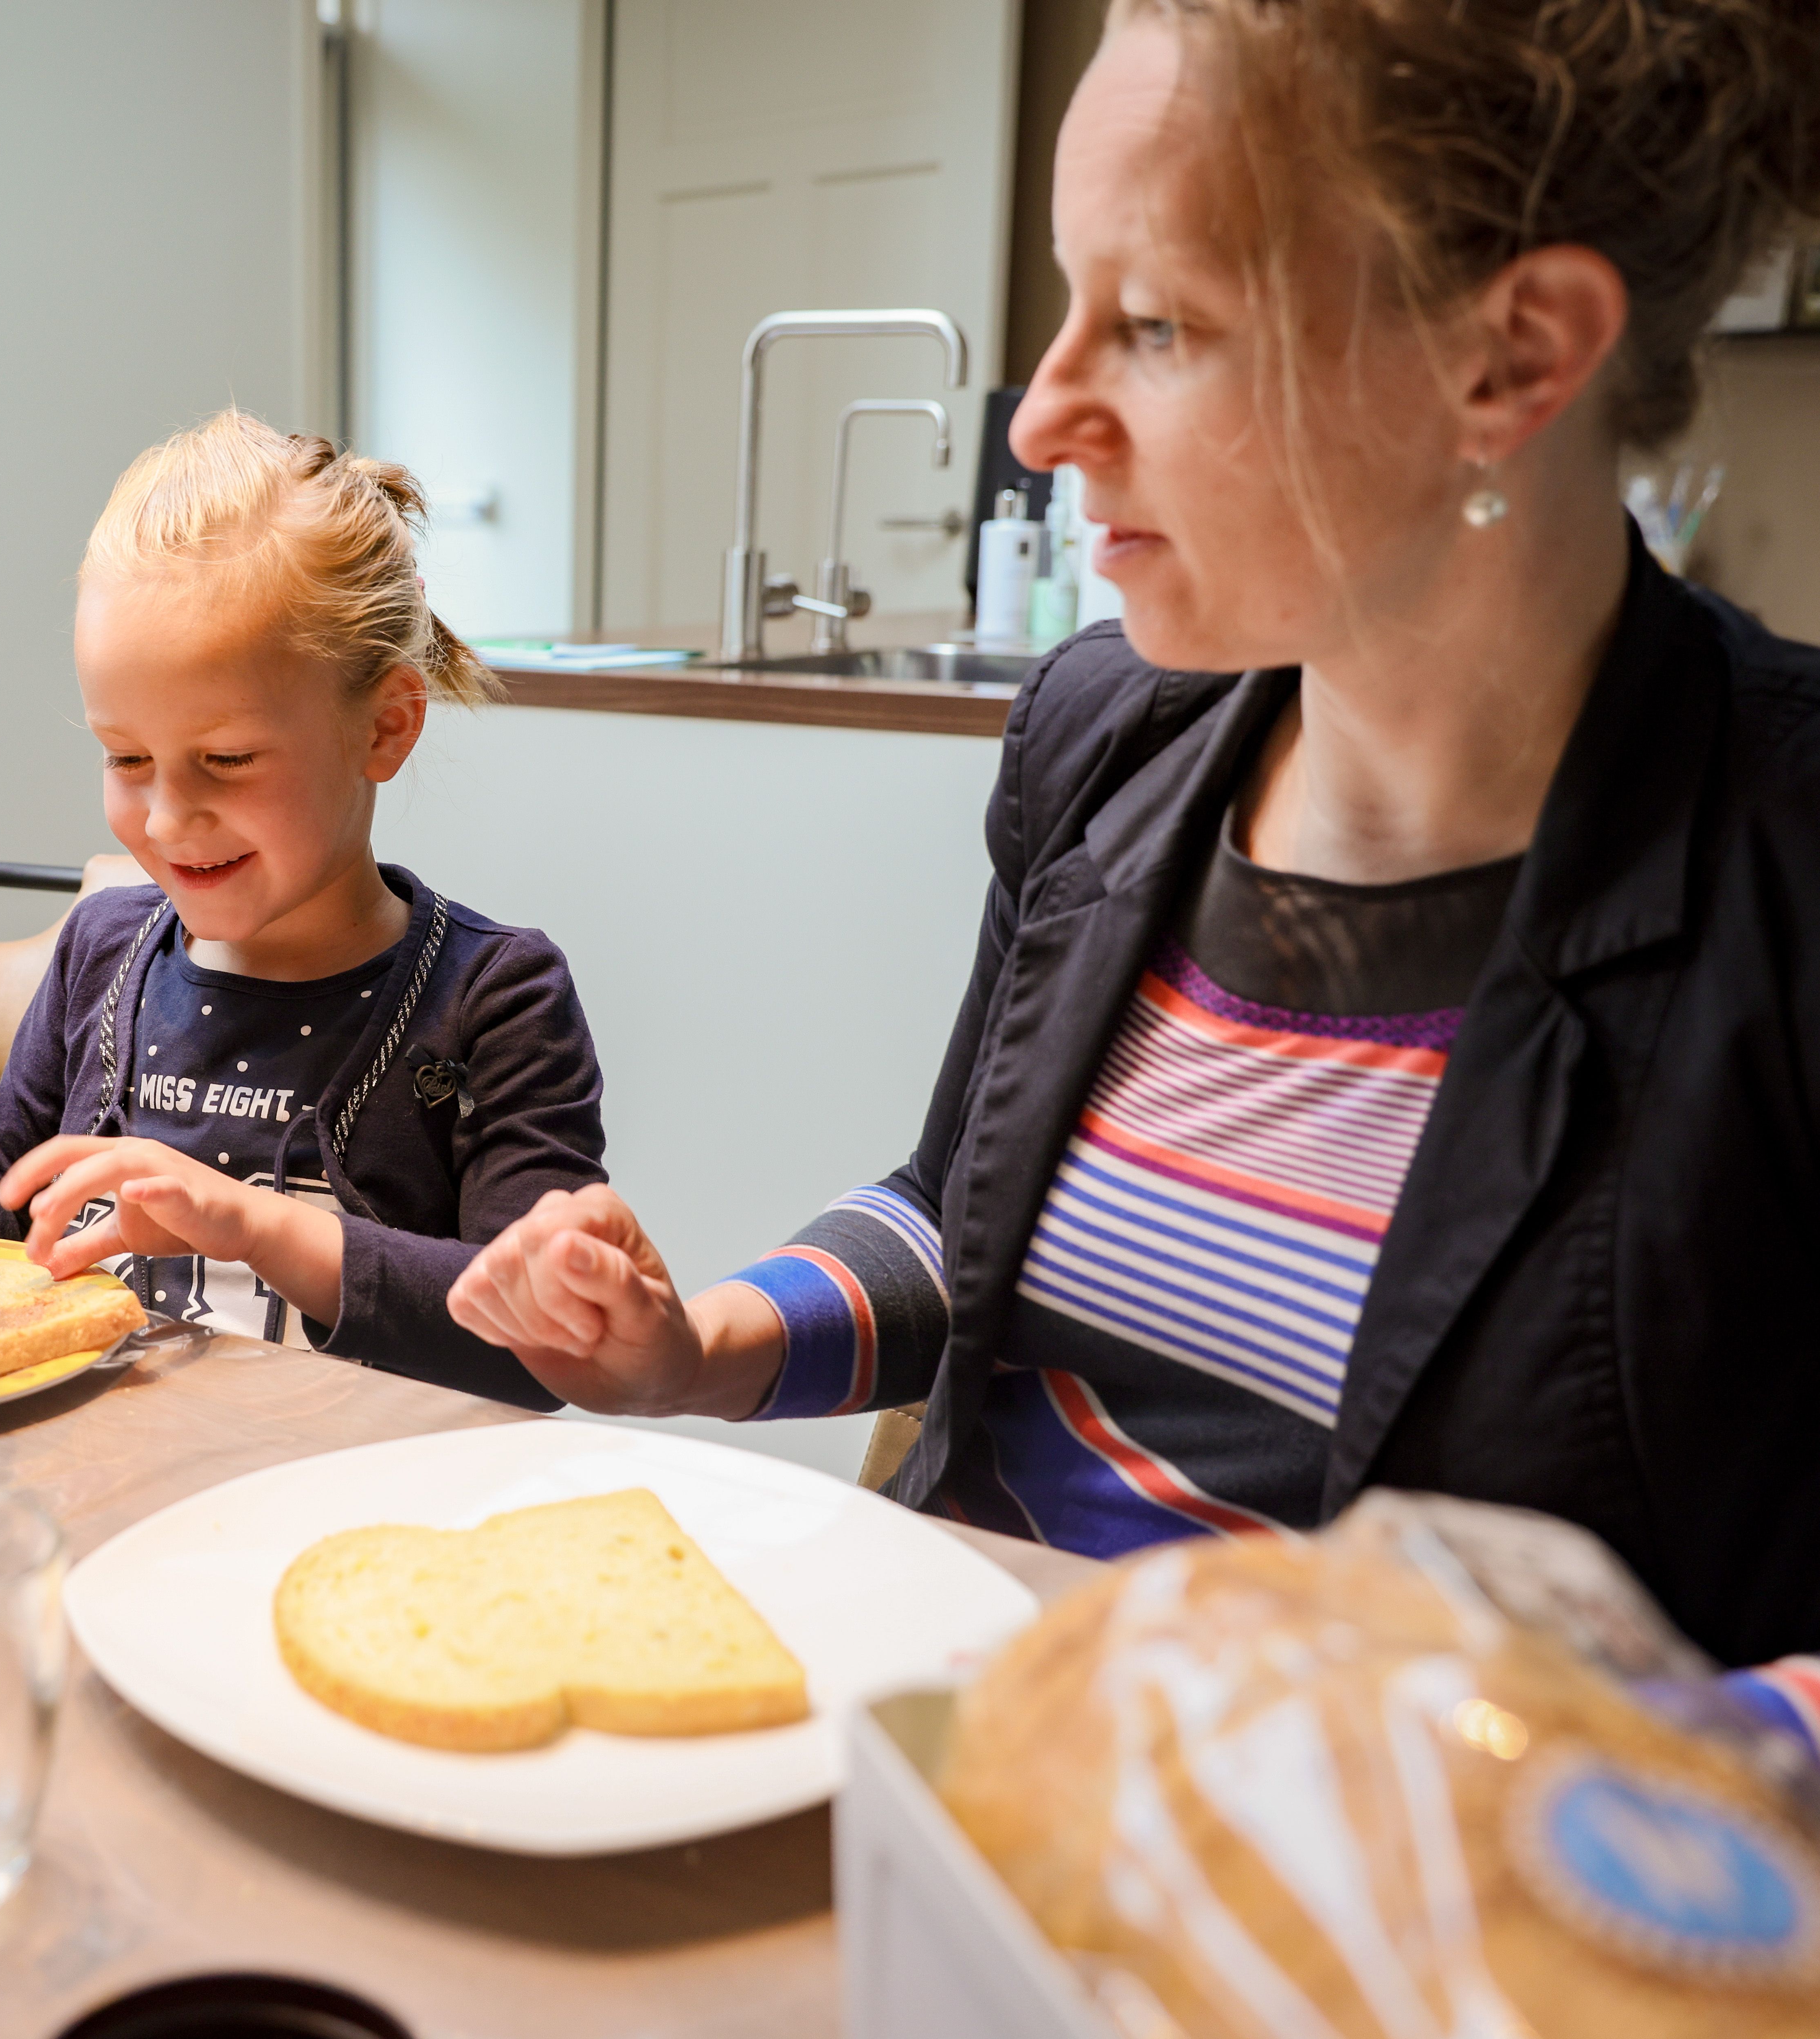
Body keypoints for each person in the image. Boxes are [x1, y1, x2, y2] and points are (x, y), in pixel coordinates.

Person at [450, 0, 1820, 1680]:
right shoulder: (1105, 738)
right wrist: (693, 1348)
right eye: (1068, 299)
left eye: (1159, 324)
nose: (1035, 422)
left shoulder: (1781, 872)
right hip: (979, 1767)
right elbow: (953, 1222)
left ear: (1511, 356)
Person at [0, 411, 606, 1409]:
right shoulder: (101, 949)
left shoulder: (496, 999)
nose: (167, 816)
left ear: (385, 727)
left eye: (228, 759)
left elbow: (545, 1346)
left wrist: (253, 1227)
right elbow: (3, 1235)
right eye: (126, 758)